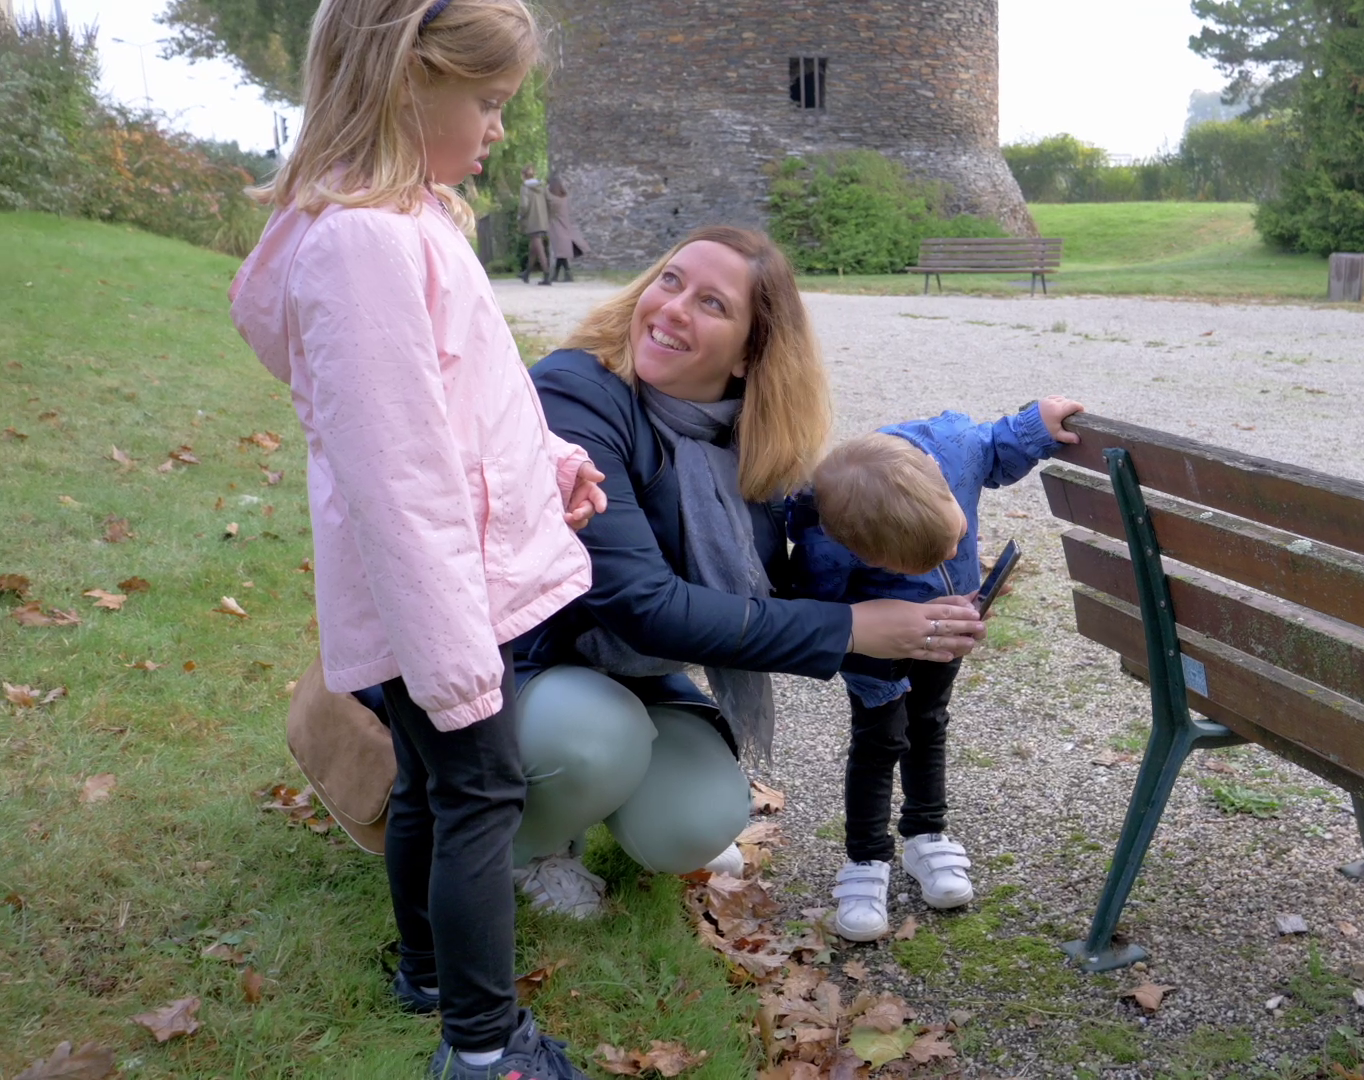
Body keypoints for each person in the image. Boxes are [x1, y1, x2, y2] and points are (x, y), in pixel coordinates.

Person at [227, 0, 607, 1076]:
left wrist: (550, 463)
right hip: (437, 599)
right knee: (479, 793)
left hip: (442, 584)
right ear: (406, 81)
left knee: (437, 787)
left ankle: (430, 972)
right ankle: (483, 1049)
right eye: (486, 102)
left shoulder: (413, 220)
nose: (497, 128)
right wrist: (456, 666)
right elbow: (399, 477)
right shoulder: (362, 247)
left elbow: (472, 397)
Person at [506, 225, 989, 918]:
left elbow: (778, 592)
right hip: (522, 662)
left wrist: (912, 596)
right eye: (671, 281)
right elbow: (643, 606)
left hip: (626, 677)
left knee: (699, 821)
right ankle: (525, 848)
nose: (673, 308)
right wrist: (852, 627)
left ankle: (585, 791)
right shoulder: (575, 395)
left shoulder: (747, 439)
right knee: (593, 746)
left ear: (748, 354)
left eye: (712, 303)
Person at [785, 398, 1084, 941]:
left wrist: (1035, 426)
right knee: (880, 742)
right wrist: (862, 644)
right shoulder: (827, 539)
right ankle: (866, 856)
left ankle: (926, 832)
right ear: (863, 553)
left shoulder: (954, 450)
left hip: (947, 632)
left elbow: (995, 446)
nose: (953, 553)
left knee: (928, 724)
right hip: (875, 649)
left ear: (943, 486)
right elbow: (817, 610)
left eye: (955, 538)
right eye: (924, 560)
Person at [545, 175, 586, 282]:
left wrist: (545, 188)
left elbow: (546, 198)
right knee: (561, 253)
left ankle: (566, 275)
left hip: (557, 228)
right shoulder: (564, 198)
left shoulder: (553, 200)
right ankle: (557, 275)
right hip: (565, 227)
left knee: (560, 253)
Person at [517, 164, 551, 285]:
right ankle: (527, 272)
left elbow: (524, 205)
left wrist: (520, 216)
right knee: (534, 247)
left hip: (532, 219)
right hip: (542, 219)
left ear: (523, 175)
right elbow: (549, 200)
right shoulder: (542, 187)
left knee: (538, 247)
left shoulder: (525, 188)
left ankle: (547, 273)